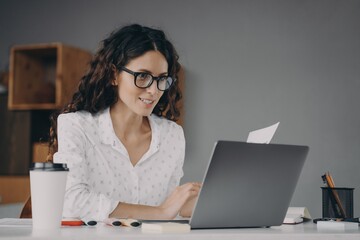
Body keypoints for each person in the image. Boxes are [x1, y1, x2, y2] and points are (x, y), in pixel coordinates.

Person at [48, 24, 201, 221]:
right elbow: (72, 202)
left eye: (162, 79)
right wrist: (159, 212)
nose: (154, 91)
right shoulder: (77, 126)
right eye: (143, 76)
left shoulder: (172, 135)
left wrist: (193, 202)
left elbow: (168, 207)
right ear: (114, 75)